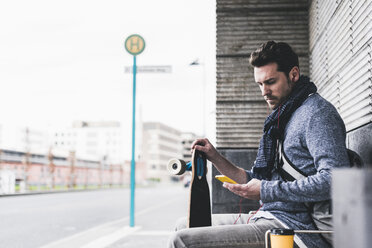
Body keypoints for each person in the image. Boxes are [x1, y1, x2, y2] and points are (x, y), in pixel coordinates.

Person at [168, 41, 350, 248]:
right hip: (268, 216)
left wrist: (266, 190)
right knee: (182, 226)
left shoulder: (317, 114)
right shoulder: (282, 117)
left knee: (181, 241)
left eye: (270, 82)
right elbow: (258, 180)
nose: (264, 91)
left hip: (294, 228)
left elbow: (335, 180)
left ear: (294, 74)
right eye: (260, 84)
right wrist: (215, 157)